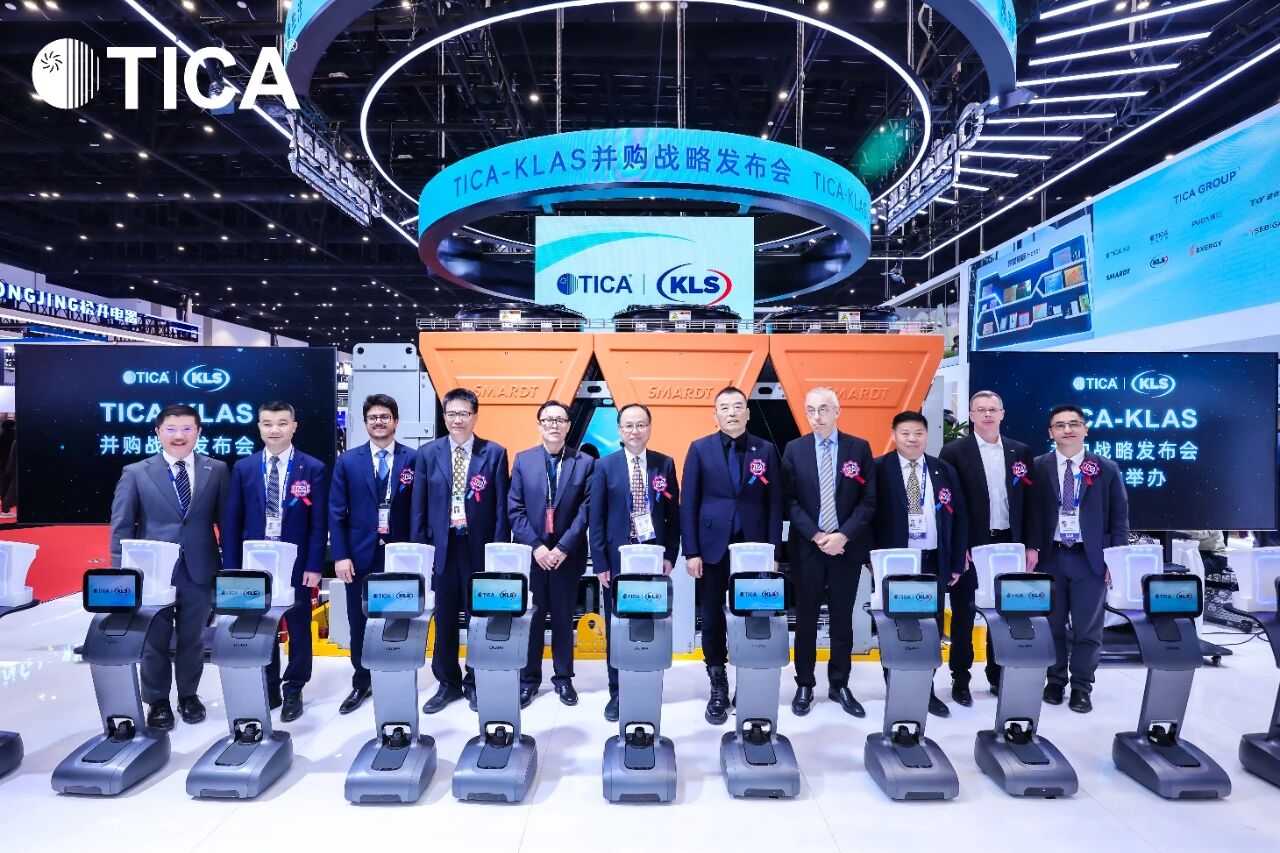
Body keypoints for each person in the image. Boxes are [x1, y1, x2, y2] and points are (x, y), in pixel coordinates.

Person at [109, 404, 230, 730]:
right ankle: (158, 701)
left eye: (187, 428)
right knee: (154, 640)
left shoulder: (216, 470)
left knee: (193, 639)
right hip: (152, 572)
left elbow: (226, 522)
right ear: (158, 432)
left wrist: (228, 567)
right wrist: (122, 574)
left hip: (200, 569)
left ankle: (188, 696)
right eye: (171, 429)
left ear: (199, 432)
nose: (179, 435)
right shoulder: (136, 472)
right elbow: (121, 527)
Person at [682, 386, 783, 725]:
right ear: (715, 415)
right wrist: (691, 551)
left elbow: (775, 504)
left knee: (752, 615)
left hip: (754, 550)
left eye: (738, 406)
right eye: (725, 408)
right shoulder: (699, 449)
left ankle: (749, 681)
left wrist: (773, 551)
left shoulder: (765, 449)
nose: (732, 412)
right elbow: (688, 503)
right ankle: (718, 681)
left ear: (748, 413)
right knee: (712, 616)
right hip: (712, 548)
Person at [223, 401, 329, 722]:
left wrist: (315, 565)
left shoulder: (312, 468)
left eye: (282, 423)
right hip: (255, 561)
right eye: (268, 423)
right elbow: (232, 522)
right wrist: (233, 568)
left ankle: (294, 687)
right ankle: (268, 685)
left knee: (298, 625)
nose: (275, 430)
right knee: (261, 624)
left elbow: (318, 523)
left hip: (296, 561)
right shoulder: (244, 467)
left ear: (294, 426)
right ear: (259, 427)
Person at [1025, 404, 1129, 714]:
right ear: (1050, 433)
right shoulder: (1037, 467)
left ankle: (1082, 686)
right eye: (1060, 425)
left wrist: (1115, 558)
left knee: (1088, 629)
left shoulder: (1106, 468)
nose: (1067, 430)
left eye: (1074, 424)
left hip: (1090, 559)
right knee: (1052, 625)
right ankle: (1055, 681)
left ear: (1085, 429)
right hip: (1051, 557)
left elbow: (1119, 516)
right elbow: (1027, 513)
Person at [411, 387, 511, 714]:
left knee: (478, 618)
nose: (458, 420)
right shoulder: (427, 454)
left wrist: (497, 554)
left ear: (475, 416)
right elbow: (418, 507)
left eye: (464, 413)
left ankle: (476, 681)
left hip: (477, 548)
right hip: (442, 549)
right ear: (444, 417)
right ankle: (448, 683)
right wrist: (421, 554)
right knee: (444, 618)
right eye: (452, 413)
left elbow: (500, 509)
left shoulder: (494, 453)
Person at [781, 387, 876, 717]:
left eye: (823, 409)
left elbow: (868, 501)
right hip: (808, 548)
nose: (816, 416)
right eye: (810, 410)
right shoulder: (794, 449)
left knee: (842, 617)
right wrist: (818, 534)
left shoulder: (858, 448)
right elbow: (789, 500)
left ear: (837, 411)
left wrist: (843, 535)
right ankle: (805, 684)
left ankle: (839, 684)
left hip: (846, 548)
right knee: (806, 619)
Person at [938, 390, 1033, 702]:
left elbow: (1031, 503)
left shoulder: (1020, 452)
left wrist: (1031, 546)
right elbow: (946, 504)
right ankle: (960, 679)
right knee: (964, 614)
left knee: (1003, 614)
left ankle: (997, 675)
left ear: (1002, 414)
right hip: (971, 544)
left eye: (993, 409)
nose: (987, 414)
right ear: (971, 415)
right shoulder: (954, 452)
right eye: (981, 409)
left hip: (1009, 543)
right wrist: (958, 546)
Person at [872, 410, 969, 718]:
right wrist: (872, 561)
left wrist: (956, 561)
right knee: (894, 625)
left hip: (931, 560)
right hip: (895, 562)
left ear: (927, 436)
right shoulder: (879, 468)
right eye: (905, 433)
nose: (912, 439)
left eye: (918, 433)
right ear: (894, 435)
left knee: (931, 626)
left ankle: (926, 688)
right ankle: (895, 685)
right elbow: (867, 517)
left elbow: (959, 516)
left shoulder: (942, 470)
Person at [588, 403, 681, 722]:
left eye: (640, 425)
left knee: (652, 623)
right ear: (619, 430)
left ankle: (649, 683)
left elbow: (673, 516)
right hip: (617, 562)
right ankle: (617, 691)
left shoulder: (664, 464)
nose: (635, 431)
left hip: (653, 559)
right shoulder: (605, 466)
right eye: (628, 425)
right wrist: (601, 561)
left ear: (650, 427)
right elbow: (596, 519)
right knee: (618, 626)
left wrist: (670, 555)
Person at [328, 393, 416, 715]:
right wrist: (340, 555)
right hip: (358, 556)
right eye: (373, 417)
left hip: (399, 555)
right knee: (359, 621)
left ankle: (396, 675)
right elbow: (336, 512)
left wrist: (417, 554)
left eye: (385, 417)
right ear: (365, 423)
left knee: (399, 619)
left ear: (395, 421)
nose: (379, 422)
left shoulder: (413, 459)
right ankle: (361, 681)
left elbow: (419, 510)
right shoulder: (348, 461)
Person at [508, 400, 594, 708]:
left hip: (567, 555)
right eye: (548, 420)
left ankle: (563, 678)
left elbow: (586, 510)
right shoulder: (523, 460)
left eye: (560, 420)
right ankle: (529, 680)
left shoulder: (584, 463)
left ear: (568, 426)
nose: (554, 425)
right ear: (539, 425)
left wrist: (562, 547)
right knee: (531, 618)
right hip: (533, 556)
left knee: (562, 617)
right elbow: (515, 509)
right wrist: (537, 547)